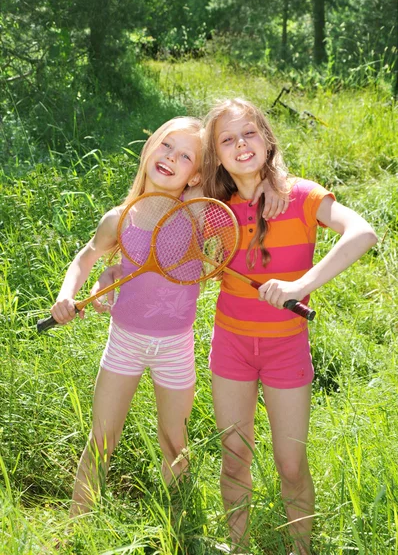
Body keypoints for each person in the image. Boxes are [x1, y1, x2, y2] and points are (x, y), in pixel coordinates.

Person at [50, 115, 286, 518]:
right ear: (149, 149)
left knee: (174, 441)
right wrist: (68, 293)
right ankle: (77, 525)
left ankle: (179, 524)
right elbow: (88, 257)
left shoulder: (200, 215)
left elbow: (247, 199)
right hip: (123, 343)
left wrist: (271, 180)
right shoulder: (120, 217)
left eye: (185, 156)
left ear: (196, 177)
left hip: (175, 348)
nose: (171, 158)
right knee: (102, 437)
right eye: (165, 146)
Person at [200, 98, 377, 555]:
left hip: (286, 349)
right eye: (227, 139)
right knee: (235, 458)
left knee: (291, 465)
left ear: (267, 139)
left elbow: (363, 233)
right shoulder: (214, 207)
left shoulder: (300, 195)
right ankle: (237, 548)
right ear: (215, 154)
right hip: (231, 346)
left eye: (249, 133)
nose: (240, 145)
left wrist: (302, 283)